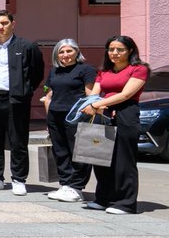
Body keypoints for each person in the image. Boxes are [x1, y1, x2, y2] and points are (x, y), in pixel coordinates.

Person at [0, 10, 45, 195]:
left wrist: (25, 91)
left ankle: (18, 179)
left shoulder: (26, 46)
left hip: (16, 100)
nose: (1, 26)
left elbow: (37, 72)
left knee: (18, 140)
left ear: (12, 23)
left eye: (4, 23)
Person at [81, 35, 148, 215]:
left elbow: (126, 95)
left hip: (126, 114)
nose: (115, 53)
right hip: (103, 114)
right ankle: (103, 199)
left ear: (130, 51)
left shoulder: (139, 69)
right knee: (100, 158)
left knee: (123, 160)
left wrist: (98, 104)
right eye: (111, 49)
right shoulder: (104, 70)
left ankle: (126, 203)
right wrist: (93, 104)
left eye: (120, 49)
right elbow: (95, 93)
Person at [40, 39, 97, 203]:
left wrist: (88, 115)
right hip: (55, 116)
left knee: (78, 152)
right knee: (60, 152)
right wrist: (48, 118)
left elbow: (90, 95)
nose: (65, 55)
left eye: (69, 51)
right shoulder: (54, 71)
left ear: (77, 52)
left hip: (76, 117)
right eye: (61, 52)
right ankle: (65, 184)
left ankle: (77, 187)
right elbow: (49, 96)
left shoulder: (86, 69)